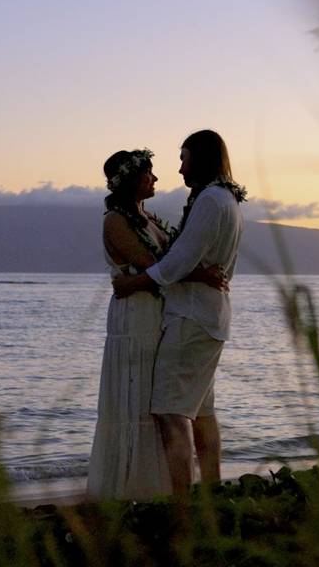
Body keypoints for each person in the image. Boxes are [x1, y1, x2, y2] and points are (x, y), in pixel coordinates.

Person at [86, 148, 225, 501]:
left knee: (157, 400)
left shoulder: (149, 217)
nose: (156, 179)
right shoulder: (115, 221)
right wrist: (201, 274)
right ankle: (129, 484)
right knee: (136, 398)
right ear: (132, 179)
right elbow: (155, 265)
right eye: (149, 173)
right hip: (135, 319)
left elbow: (166, 265)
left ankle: (159, 485)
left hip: (158, 315)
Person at [113, 130, 245, 493]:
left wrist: (133, 285)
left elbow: (178, 262)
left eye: (184, 158)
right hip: (211, 316)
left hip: (192, 316)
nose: (180, 167)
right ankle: (213, 492)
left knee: (172, 413)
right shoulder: (229, 200)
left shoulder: (209, 200)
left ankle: (183, 502)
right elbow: (201, 263)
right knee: (202, 411)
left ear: (200, 159)